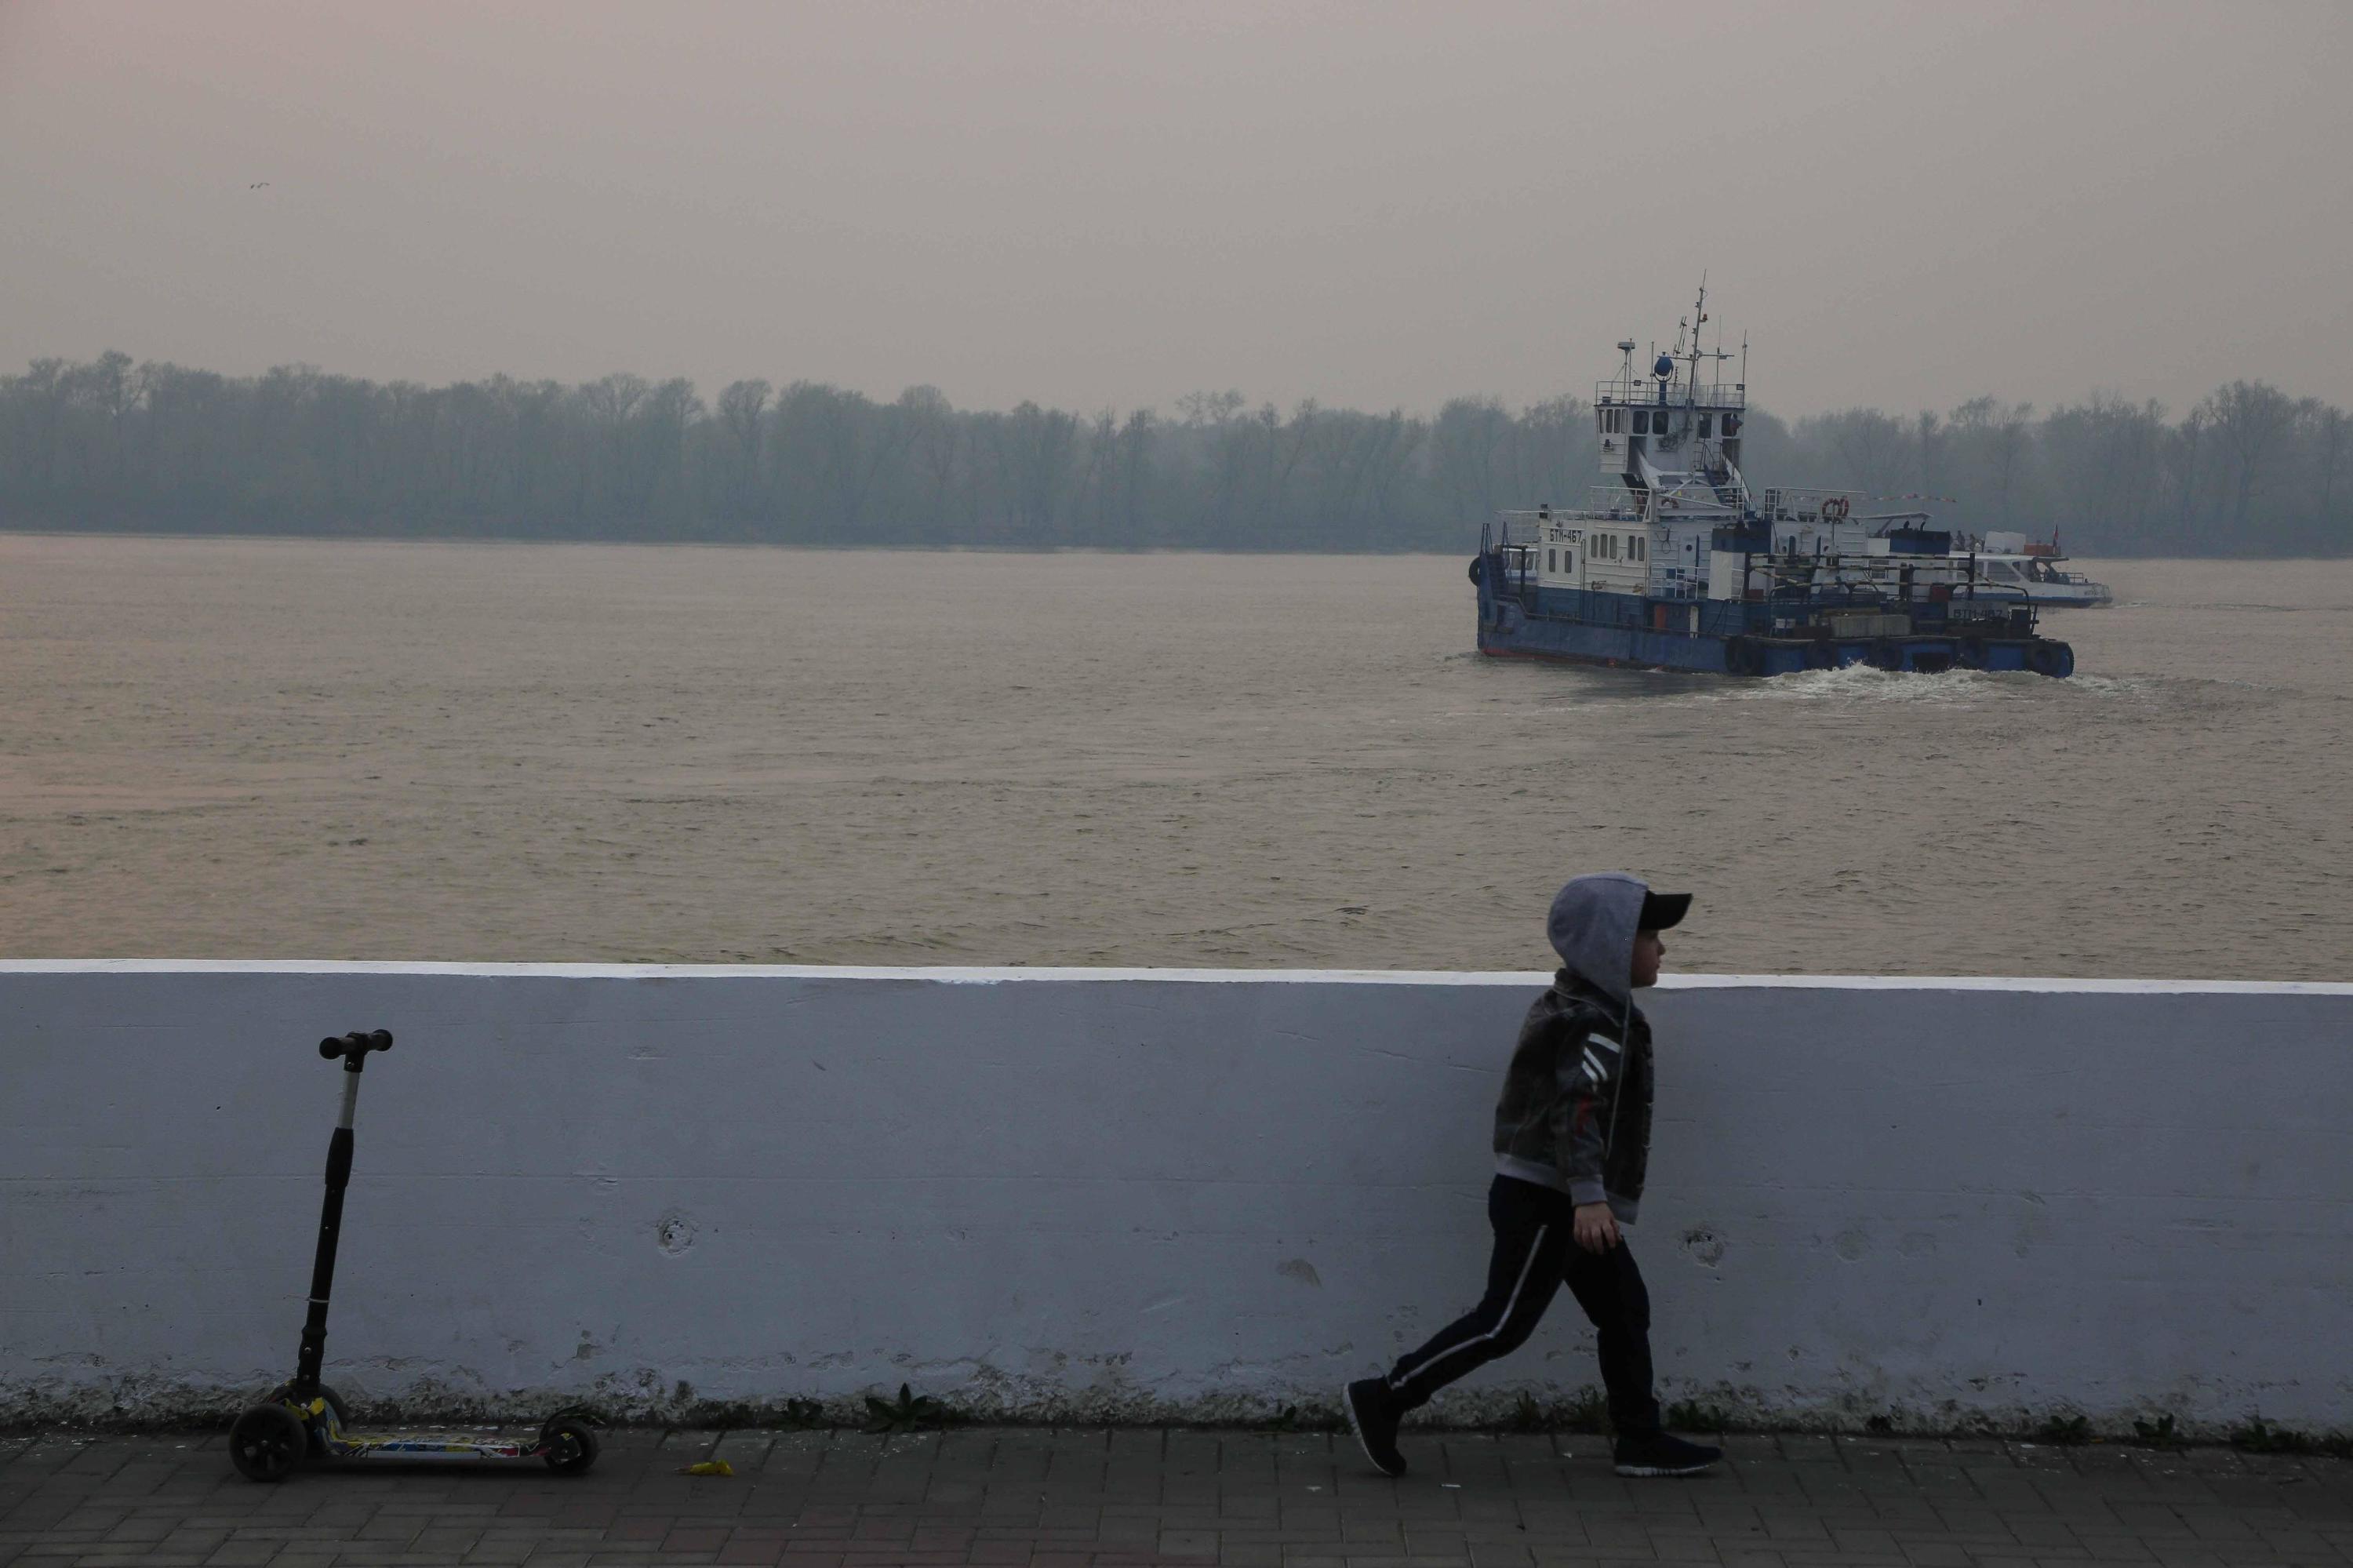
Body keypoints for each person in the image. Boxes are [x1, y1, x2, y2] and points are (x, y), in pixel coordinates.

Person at [1343, 872, 1723, 1479]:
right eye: (1650, 935)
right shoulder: (1594, 1021)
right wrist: (1589, 1197)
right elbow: (1576, 1108)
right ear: (1611, 945)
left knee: (1625, 1306)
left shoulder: (1590, 1007)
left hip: (1564, 1196)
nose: (1662, 949)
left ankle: (1639, 1437)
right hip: (1553, 1199)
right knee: (1501, 1324)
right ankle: (1386, 1397)